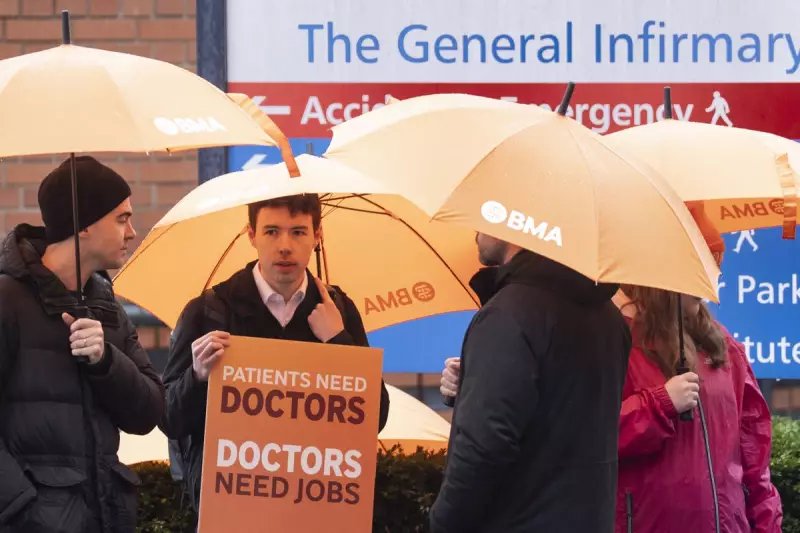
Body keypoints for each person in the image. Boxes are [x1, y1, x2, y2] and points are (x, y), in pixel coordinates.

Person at [161, 192, 391, 514]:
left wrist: (338, 340)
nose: (285, 245)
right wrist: (197, 375)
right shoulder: (209, 311)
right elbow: (168, 417)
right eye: (271, 231)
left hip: (314, 506)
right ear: (252, 235)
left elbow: (374, 417)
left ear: (317, 235)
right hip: (231, 508)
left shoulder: (338, 311)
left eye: (298, 232)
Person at [0, 156, 166, 533]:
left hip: (105, 518)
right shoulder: (7, 299)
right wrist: (24, 509)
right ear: (84, 226)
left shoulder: (106, 302)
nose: (132, 232)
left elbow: (149, 412)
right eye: (121, 218)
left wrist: (106, 361)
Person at [430, 232, 632, 532]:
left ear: (514, 223)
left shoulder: (510, 313)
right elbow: (561, 411)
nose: (474, 232)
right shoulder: (609, 318)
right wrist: (478, 383)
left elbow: (484, 446)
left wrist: (441, 522)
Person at [612, 214, 782, 533]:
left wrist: (767, 525)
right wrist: (659, 404)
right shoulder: (615, 341)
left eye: (713, 265)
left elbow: (754, 455)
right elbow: (592, 436)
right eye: (698, 268)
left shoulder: (726, 347)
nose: (708, 280)